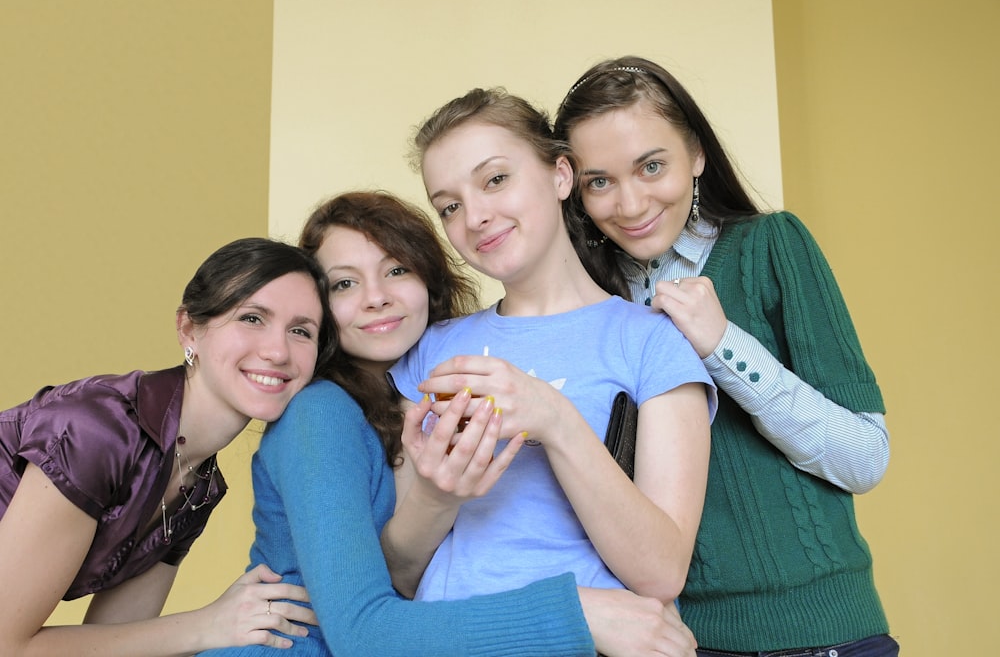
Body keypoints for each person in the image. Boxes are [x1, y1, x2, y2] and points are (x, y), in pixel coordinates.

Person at [198, 190, 699, 657]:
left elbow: (410, 582)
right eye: (345, 283)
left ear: (428, 279)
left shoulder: (420, 400)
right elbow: (363, 633)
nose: (376, 297)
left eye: (396, 271)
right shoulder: (320, 412)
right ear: (321, 309)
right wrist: (583, 613)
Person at [553, 55, 897, 656]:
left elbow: (865, 459)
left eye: (651, 166)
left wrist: (723, 345)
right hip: (679, 642)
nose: (629, 204)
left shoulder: (771, 247)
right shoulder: (591, 306)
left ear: (698, 157)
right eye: (599, 181)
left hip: (828, 635)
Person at [384, 88, 715, 616]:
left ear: (562, 175)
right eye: (449, 206)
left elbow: (663, 572)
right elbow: (400, 575)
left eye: (495, 179)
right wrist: (437, 496)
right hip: (452, 641)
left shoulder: (653, 340)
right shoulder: (428, 350)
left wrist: (554, 419)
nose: (475, 217)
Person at [0, 237, 337, 656]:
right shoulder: (95, 432)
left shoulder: (198, 487)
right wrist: (211, 623)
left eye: (301, 331)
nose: (277, 350)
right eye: (252, 318)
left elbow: (119, 644)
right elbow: (7, 646)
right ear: (189, 329)